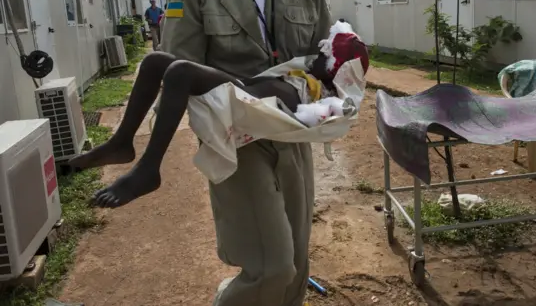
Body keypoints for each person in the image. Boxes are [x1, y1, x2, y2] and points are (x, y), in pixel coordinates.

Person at [159, 0, 334, 305]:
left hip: (294, 135)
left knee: (296, 265)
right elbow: (176, 75)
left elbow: (322, 59)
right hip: (237, 142)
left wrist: (338, 76)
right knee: (271, 266)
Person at [68, 22, 369, 210]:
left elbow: (325, 120)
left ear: (334, 68)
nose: (316, 54)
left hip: (247, 103)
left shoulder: (317, 95)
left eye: (323, 55)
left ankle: (149, 169)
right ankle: (122, 142)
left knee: (180, 72)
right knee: (154, 61)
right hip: (243, 87)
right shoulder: (302, 73)